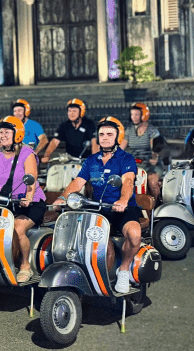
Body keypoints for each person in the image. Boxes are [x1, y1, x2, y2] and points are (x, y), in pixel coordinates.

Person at [54, 117, 141, 293]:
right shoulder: (91, 160)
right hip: (97, 207)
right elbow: (77, 183)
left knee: (134, 235)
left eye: (109, 134)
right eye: (101, 134)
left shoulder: (126, 159)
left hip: (122, 208)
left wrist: (123, 200)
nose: (105, 138)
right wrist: (62, 198)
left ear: (118, 137)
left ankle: (123, 269)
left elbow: (128, 181)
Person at [0, 116, 47, 283]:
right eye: (1, 132)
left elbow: (31, 178)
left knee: (18, 229)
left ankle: (25, 266)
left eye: (7, 132)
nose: (3, 135)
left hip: (30, 203)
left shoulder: (27, 153)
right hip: (5, 201)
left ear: (18, 134)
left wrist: (28, 197)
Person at [119, 103, 165, 202]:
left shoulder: (152, 131)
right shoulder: (129, 131)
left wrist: (154, 157)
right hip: (135, 163)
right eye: (132, 115)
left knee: (152, 182)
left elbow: (155, 148)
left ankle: (156, 205)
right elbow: (121, 147)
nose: (133, 117)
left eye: (136, 114)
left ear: (143, 115)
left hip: (151, 164)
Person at [41, 98, 98, 163]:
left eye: (74, 111)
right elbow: (54, 142)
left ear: (81, 112)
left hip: (86, 160)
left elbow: (94, 142)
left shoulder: (89, 124)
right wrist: (46, 155)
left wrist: (95, 158)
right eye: (69, 111)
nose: (71, 113)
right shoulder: (65, 125)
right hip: (70, 160)